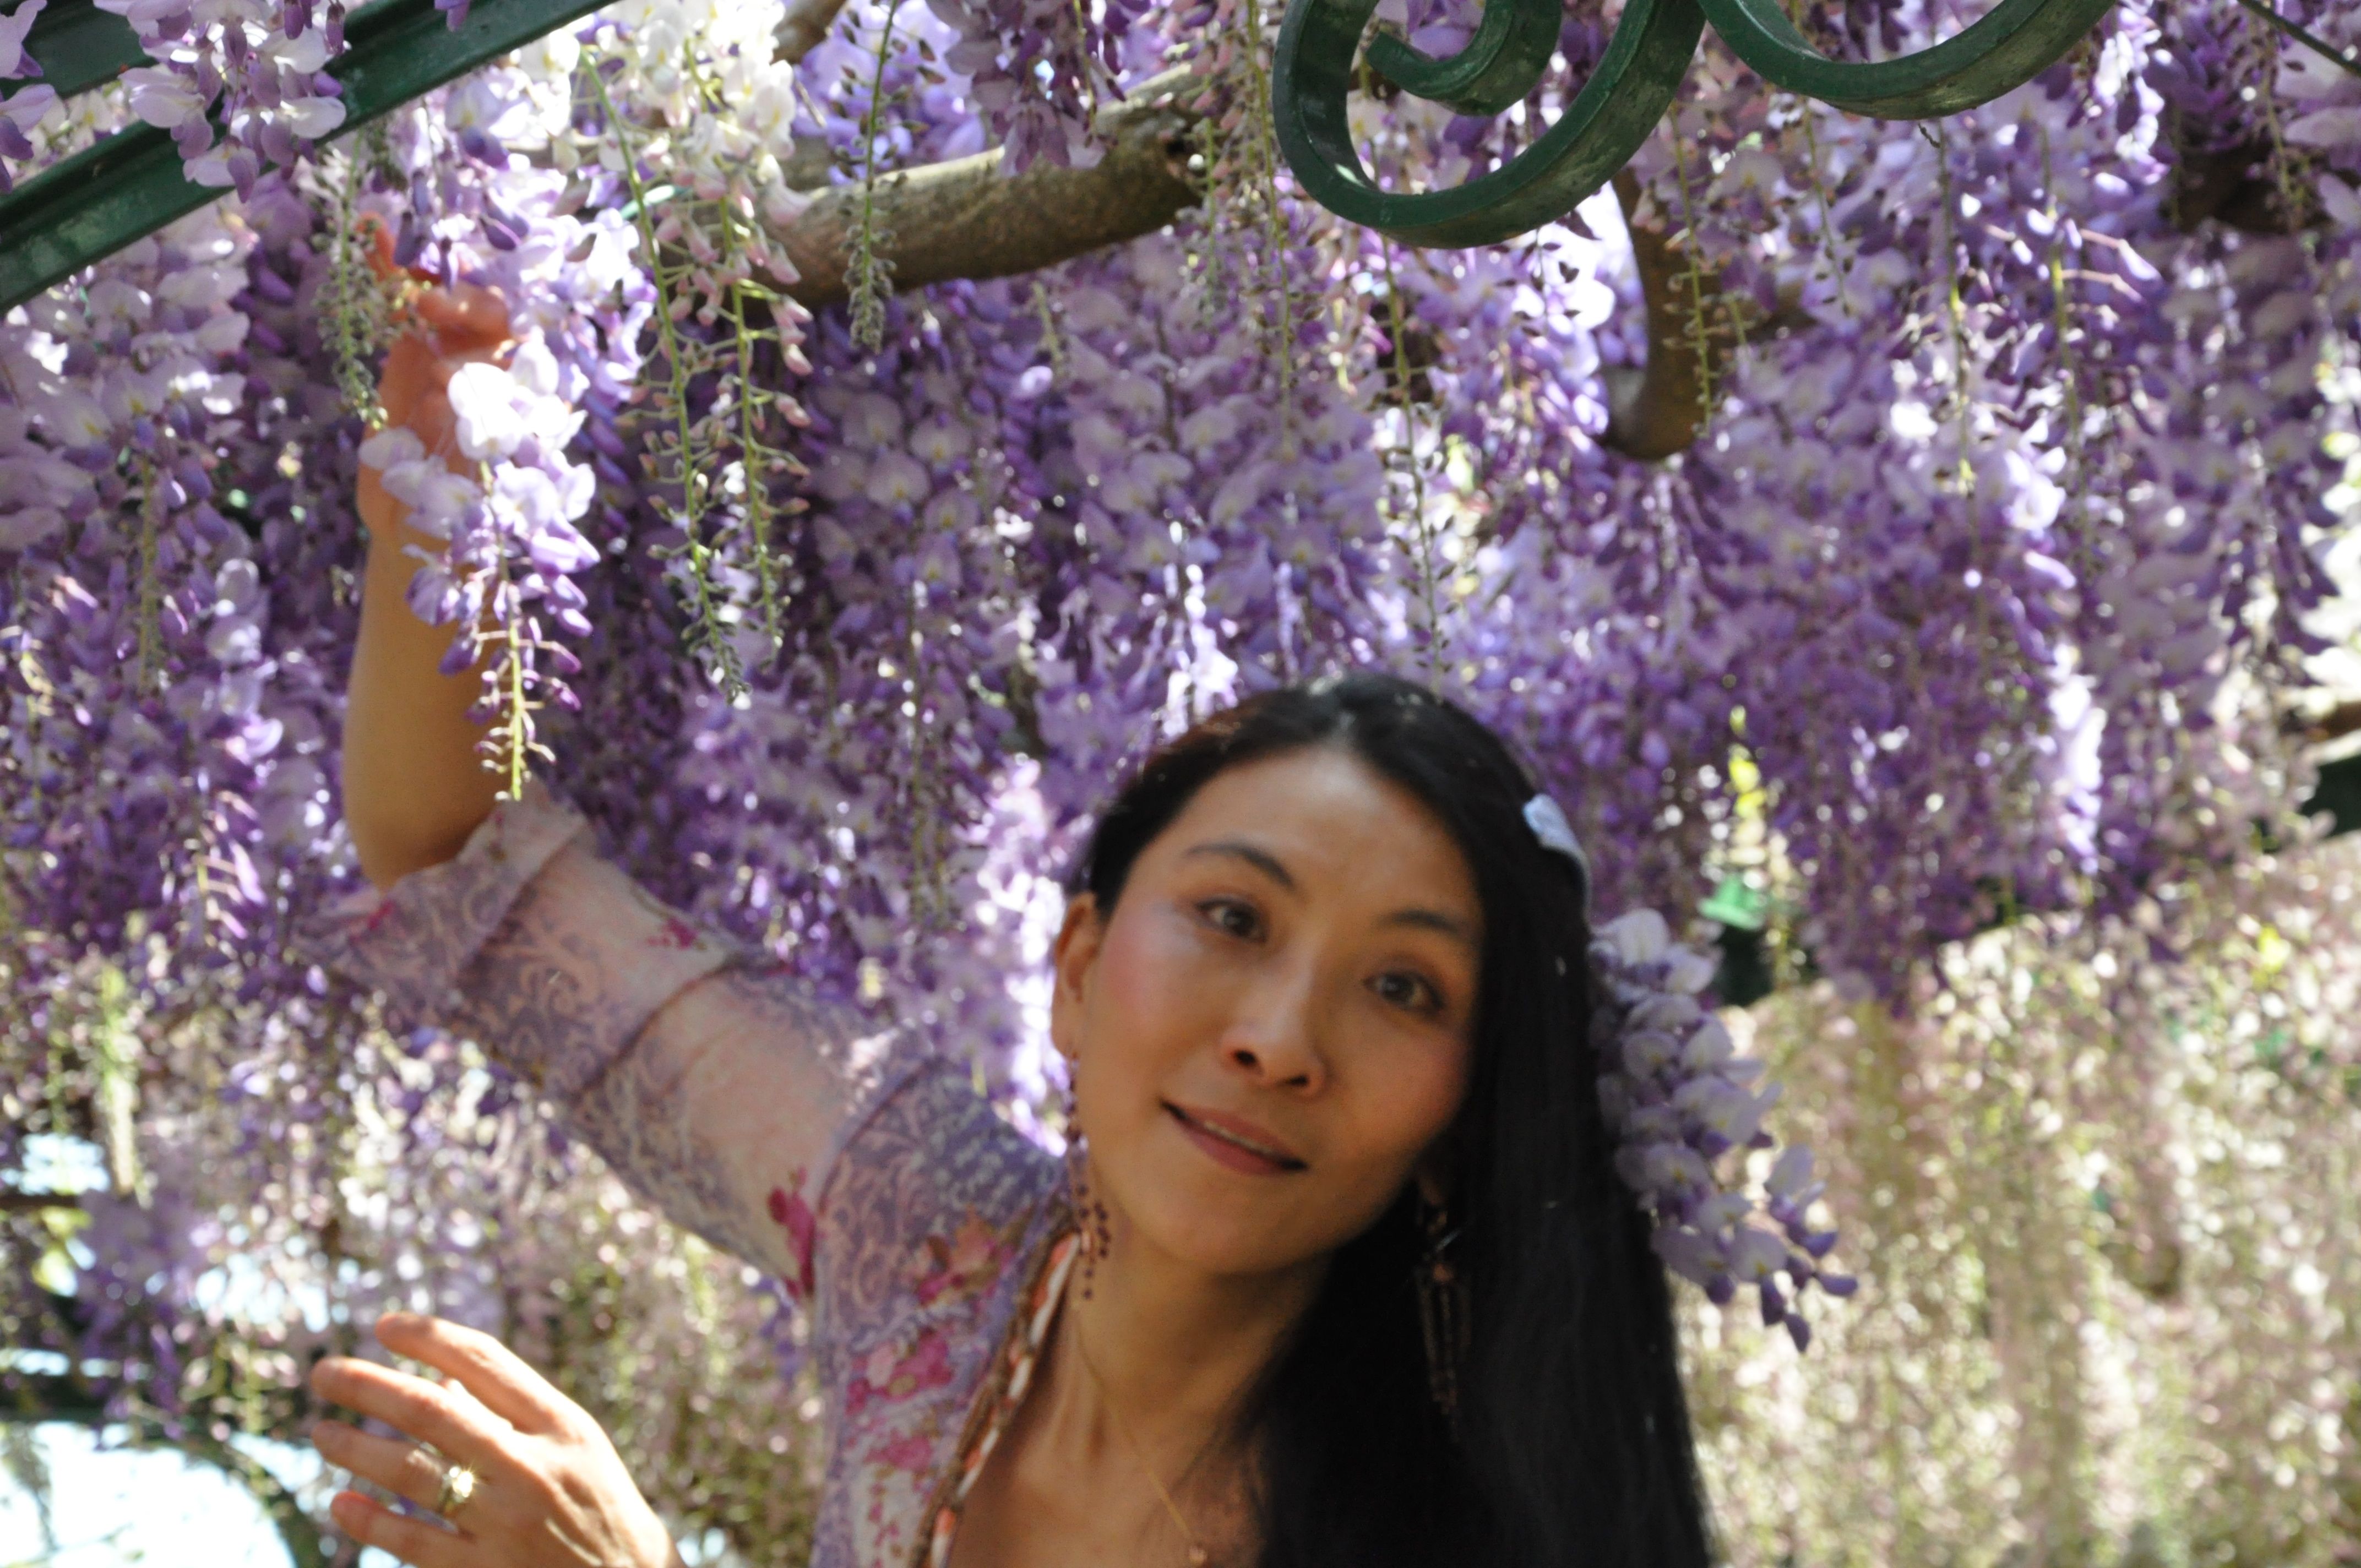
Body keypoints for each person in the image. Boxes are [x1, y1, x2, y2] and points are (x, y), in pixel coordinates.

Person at [301, 280, 1722, 1568]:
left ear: (1466, 1120)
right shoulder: (929, 1232)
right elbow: (461, 866)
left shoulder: (1456, 1531)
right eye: (1233, 916)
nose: (1280, 1041)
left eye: (1406, 990)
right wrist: (441, 498)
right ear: (1079, 968)